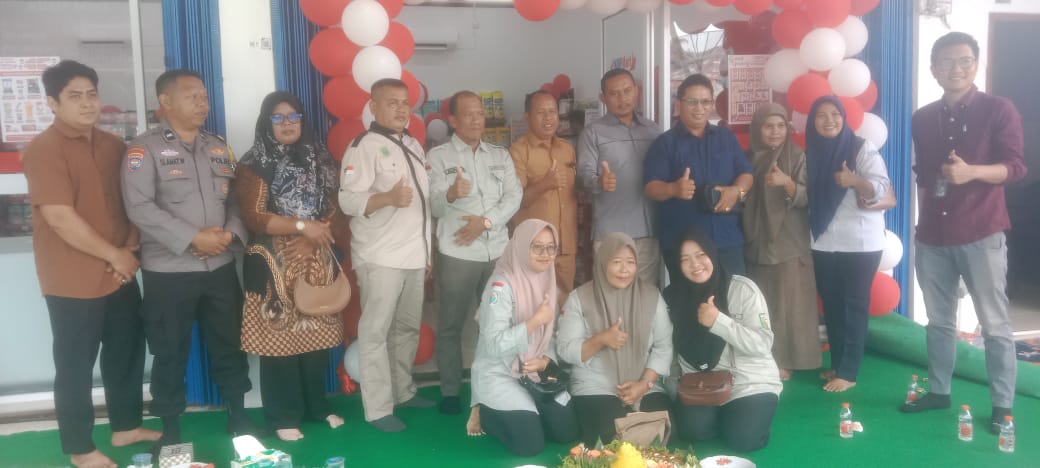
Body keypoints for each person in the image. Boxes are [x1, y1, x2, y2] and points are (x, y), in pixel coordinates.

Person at [23, 60, 160, 468]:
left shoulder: (114, 146)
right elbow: (59, 217)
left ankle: (126, 426)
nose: (87, 104)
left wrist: (129, 249)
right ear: (53, 103)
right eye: (74, 96)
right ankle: (80, 448)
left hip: (120, 272)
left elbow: (133, 203)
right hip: (72, 277)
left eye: (92, 94)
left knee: (126, 351)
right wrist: (115, 255)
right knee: (75, 365)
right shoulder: (44, 149)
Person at [122, 69, 259, 446]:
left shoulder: (217, 146)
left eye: (204, 96)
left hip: (220, 267)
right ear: (165, 102)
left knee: (229, 343)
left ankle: (239, 416)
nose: (203, 103)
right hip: (169, 272)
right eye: (192, 96)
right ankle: (170, 431)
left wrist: (229, 235)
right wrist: (192, 238)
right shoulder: (143, 150)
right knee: (169, 352)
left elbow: (235, 199)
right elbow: (139, 206)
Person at [903, 32, 1026, 432]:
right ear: (933, 69)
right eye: (947, 62)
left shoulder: (998, 109)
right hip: (933, 236)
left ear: (976, 65)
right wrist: (922, 221)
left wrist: (972, 171)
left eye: (964, 61)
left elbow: (1016, 167)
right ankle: (939, 392)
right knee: (938, 321)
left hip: (981, 232)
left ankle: (1003, 405)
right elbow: (924, 175)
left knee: (994, 324)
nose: (956, 68)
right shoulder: (923, 117)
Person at [234, 91, 344, 441]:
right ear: (267, 122)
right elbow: (253, 216)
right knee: (280, 338)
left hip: (315, 256)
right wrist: (301, 227)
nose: (287, 124)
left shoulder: (319, 157)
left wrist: (313, 236)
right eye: (278, 117)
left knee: (315, 335)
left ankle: (317, 406)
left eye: (293, 116)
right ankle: (283, 416)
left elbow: (333, 205)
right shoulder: (254, 162)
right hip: (274, 262)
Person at [339, 78, 434, 432]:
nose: (400, 109)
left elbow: (423, 205)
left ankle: (402, 391)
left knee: (406, 328)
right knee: (376, 333)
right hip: (380, 256)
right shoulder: (362, 146)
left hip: (414, 255)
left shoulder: (413, 144)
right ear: (373, 106)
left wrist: (427, 254)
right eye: (392, 102)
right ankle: (378, 408)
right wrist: (387, 199)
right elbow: (347, 200)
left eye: (405, 103)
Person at [428, 90, 522, 415]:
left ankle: (501, 384)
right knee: (451, 324)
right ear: (453, 120)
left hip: (497, 252)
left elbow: (513, 196)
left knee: (499, 320)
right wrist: (451, 195)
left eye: (480, 113)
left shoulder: (499, 155)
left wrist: (485, 222)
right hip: (457, 254)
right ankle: (450, 391)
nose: (476, 120)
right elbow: (432, 206)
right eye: (468, 114)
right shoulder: (438, 157)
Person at [466, 219, 579, 456]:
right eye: (537, 247)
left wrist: (545, 361)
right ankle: (486, 412)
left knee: (566, 433)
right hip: (501, 373)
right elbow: (493, 345)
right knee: (530, 445)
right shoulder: (500, 286)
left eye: (551, 247)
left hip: (535, 372)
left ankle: (530, 411)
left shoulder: (547, 279)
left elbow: (547, 338)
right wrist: (534, 322)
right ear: (520, 247)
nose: (545, 254)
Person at [805, 95, 891, 393]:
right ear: (812, 121)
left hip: (861, 242)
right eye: (821, 115)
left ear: (844, 118)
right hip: (823, 241)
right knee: (831, 305)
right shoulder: (810, 150)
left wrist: (855, 181)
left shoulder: (860, 147)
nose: (829, 120)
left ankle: (849, 372)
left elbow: (880, 187)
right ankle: (838, 363)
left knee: (854, 305)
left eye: (835, 114)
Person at [666, 228, 780, 452]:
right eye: (685, 259)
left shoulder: (742, 289)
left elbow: (762, 344)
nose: (695, 264)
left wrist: (719, 321)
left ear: (712, 254)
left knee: (745, 440)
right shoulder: (671, 297)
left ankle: (739, 416)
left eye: (701, 255)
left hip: (748, 381)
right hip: (699, 383)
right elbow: (668, 349)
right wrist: (673, 388)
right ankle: (723, 416)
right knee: (693, 432)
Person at [557, 232, 673, 445]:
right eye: (617, 262)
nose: (624, 269)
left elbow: (663, 346)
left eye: (631, 262)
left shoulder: (651, 297)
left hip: (643, 384)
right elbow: (565, 350)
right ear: (603, 263)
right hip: (595, 385)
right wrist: (601, 339)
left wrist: (644, 384)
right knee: (611, 437)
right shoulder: (579, 298)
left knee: (663, 432)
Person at [644, 73, 753, 278]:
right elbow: (650, 188)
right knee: (690, 298)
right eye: (692, 102)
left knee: (734, 295)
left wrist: (737, 190)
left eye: (705, 102)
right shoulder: (665, 143)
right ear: (678, 105)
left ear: (712, 104)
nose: (699, 108)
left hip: (726, 238)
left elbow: (746, 173)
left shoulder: (726, 137)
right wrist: (673, 189)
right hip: (683, 243)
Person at [741, 104, 819, 380]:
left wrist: (787, 183)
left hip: (788, 242)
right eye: (768, 126)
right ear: (757, 129)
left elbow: (810, 197)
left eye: (780, 126)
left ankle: (786, 360)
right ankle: (764, 357)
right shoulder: (747, 158)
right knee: (762, 303)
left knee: (789, 304)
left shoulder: (796, 156)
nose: (775, 132)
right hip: (756, 240)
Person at [577, 69, 662, 286]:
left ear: (637, 91)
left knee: (646, 294)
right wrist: (598, 181)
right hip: (611, 232)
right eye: (614, 94)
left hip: (648, 230)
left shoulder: (653, 130)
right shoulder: (593, 132)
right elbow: (583, 175)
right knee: (612, 294)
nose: (622, 98)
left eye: (627, 91)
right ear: (603, 98)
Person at [509, 90, 578, 303]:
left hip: (566, 245)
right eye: (541, 112)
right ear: (527, 117)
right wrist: (545, 184)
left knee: (564, 305)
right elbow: (515, 202)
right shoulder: (517, 152)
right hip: (534, 247)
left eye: (552, 112)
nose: (548, 118)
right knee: (533, 306)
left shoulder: (567, 149)